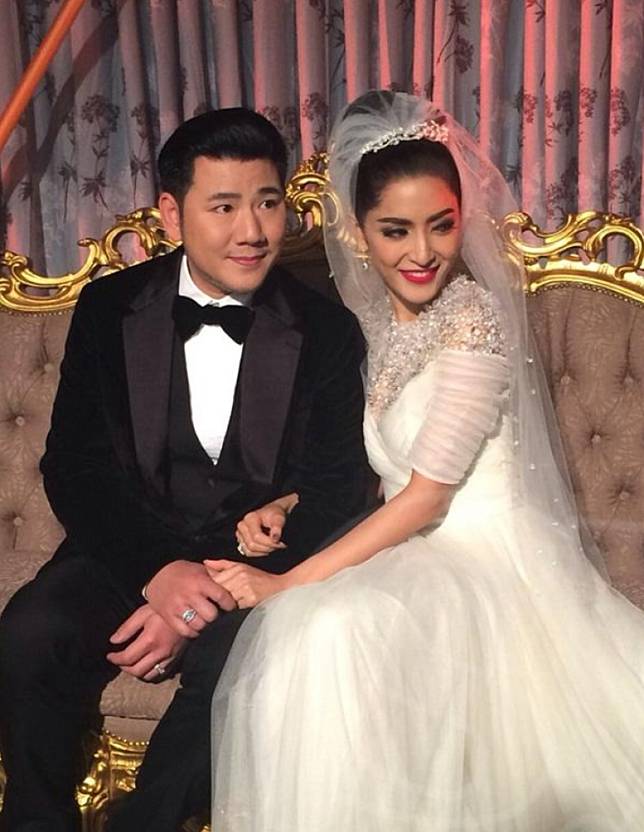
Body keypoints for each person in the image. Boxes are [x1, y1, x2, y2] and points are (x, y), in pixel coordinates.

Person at [207, 91, 644, 831]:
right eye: (396, 230)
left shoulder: (472, 320)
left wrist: (283, 583)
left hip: (488, 563)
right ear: (358, 232)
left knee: (326, 623)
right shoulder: (378, 324)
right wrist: (286, 504)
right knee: (323, 628)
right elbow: (384, 472)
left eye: (441, 224)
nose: (422, 252)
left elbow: (426, 497)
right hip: (418, 552)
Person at [0, 107, 370, 832]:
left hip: (251, 572)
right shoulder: (110, 307)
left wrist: (206, 593)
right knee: (31, 632)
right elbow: (73, 465)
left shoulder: (327, 327)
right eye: (224, 207)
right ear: (172, 214)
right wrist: (159, 574)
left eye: (268, 202)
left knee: (238, 667)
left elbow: (336, 488)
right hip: (129, 549)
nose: (252, 230)